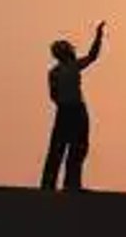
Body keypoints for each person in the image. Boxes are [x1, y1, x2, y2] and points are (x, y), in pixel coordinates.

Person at [41, 21, 105, 191]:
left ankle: (49, 185)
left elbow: (52, 95)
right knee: (77, 147)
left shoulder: (54, 72)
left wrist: (98, 36)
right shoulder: (72, 66)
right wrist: (98, 36)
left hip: (65, 110)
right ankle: (71, 184)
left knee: (59, 147)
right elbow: (93, 56)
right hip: (75, 110)